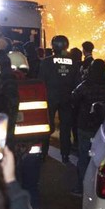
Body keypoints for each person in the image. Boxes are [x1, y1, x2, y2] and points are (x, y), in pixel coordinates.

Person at [70, 59, 105, 196]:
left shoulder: (84, 86)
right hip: (104, 129)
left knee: (83, 157)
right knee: (104, 159)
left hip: (85, 126)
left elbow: (73, 100)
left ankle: (81, 188)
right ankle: (99, 189)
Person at [39, 35, 78, 164]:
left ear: (53, 47)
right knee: (65, 128)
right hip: (67, 98)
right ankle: (65, 155)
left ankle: (43, 153)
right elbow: (77, 81)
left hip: (50, 97)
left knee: (46, 127)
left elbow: (41, 81)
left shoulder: (46, 62)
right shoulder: (73, 61)